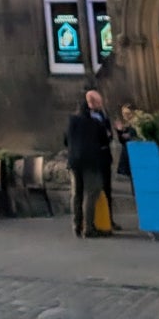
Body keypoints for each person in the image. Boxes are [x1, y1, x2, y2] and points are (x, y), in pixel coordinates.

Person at [66, 88, 114, 237]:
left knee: (77, 194)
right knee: (91, 193)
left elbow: (65, 140)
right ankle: (89, 227)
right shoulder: (95, 123)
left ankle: (76, 224)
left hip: (74, 161)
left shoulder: (71, 121)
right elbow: (105, 140)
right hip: (91, 161)